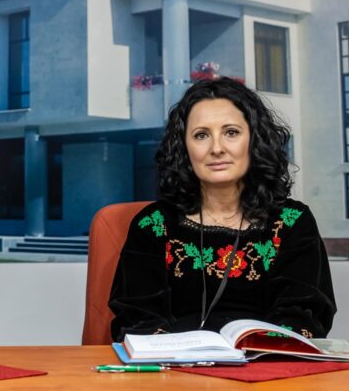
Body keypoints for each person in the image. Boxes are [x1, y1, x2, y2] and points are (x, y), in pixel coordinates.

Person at [109, 77, 336, 341]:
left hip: (265, 363)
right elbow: (138, 319)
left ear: (254, 140)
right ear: (184, 147)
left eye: (231, 132)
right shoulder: (153, 224)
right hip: (175, 363)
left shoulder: (292, 222)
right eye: (201, 135)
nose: (217, 148)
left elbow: (303, 317)